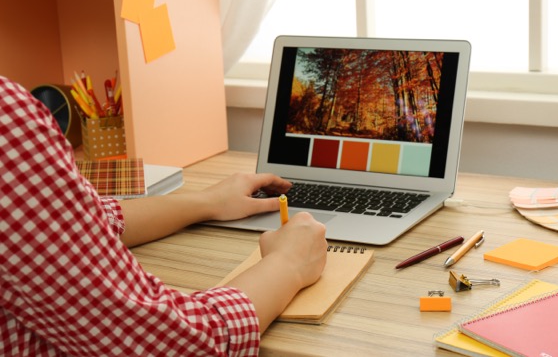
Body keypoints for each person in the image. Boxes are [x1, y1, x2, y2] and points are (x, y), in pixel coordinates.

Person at [0, 75, 328, 356]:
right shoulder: (7, 117)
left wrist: (208, 201)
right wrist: (288, 265)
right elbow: (174, 346)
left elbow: (89, 219)